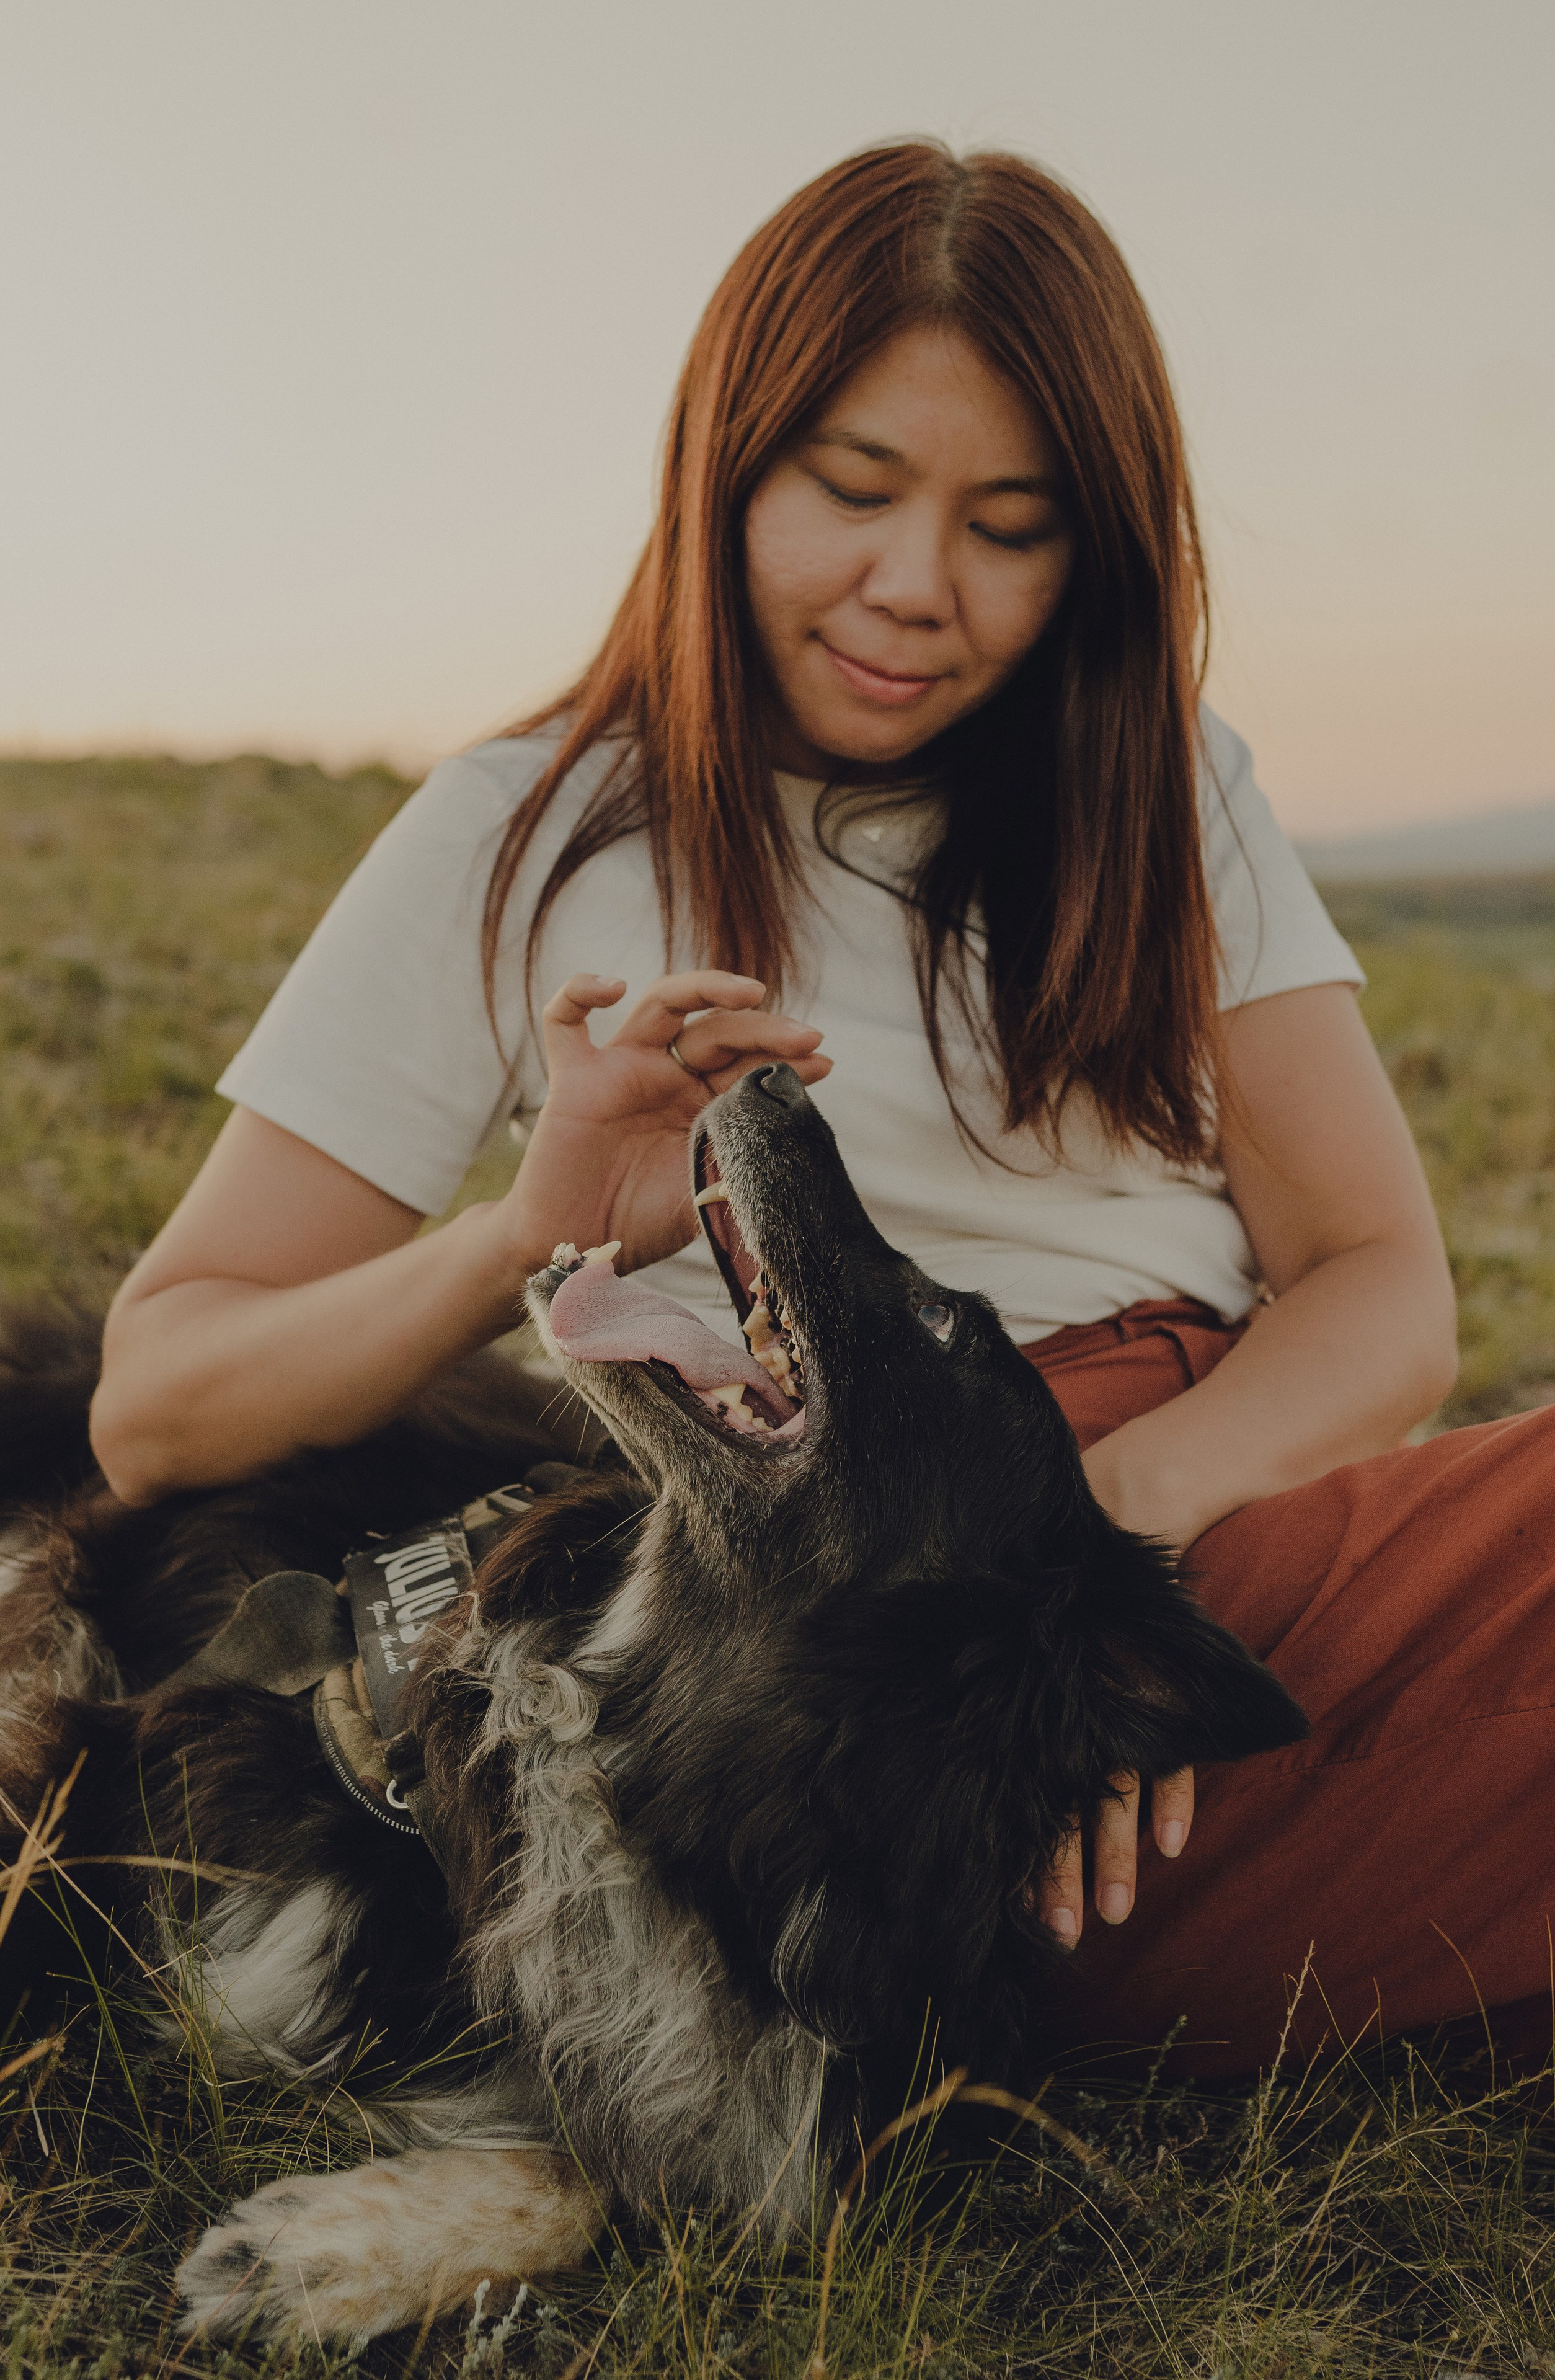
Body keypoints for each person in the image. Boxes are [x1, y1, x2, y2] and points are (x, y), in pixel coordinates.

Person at [89, 143, 1548, 2080]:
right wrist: (525, 1237)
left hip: (1184, 1520)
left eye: (1013, 526)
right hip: (814, 1648)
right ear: (725, 468)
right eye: (851, 491)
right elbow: (159, 1401)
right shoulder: (523, 830)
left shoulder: (1165, 793)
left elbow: (1377, 1287)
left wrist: (1084, 1573)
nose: (914, 589)